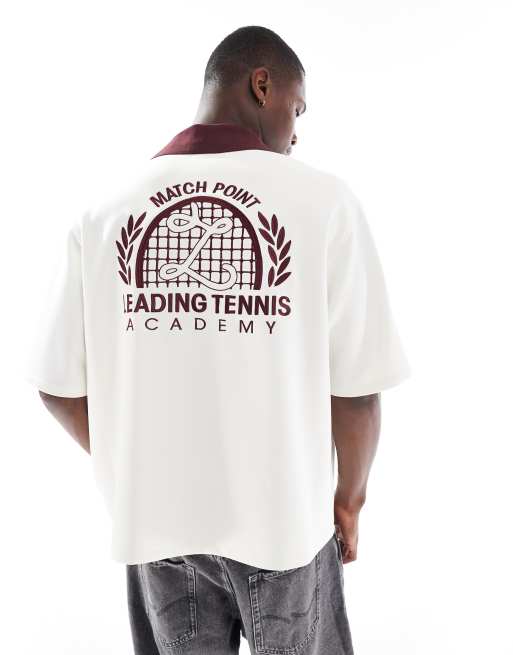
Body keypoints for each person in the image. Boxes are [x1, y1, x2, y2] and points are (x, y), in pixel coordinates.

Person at [24, 25, 411, 655]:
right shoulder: (323, 203)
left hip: (158, 532)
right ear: (262, 85)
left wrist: (139, 466)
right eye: (297, 108)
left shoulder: (103, 214)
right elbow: (358, 393)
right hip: (285, 524)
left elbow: (57, 386)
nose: (296, 131)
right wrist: (349, 501)